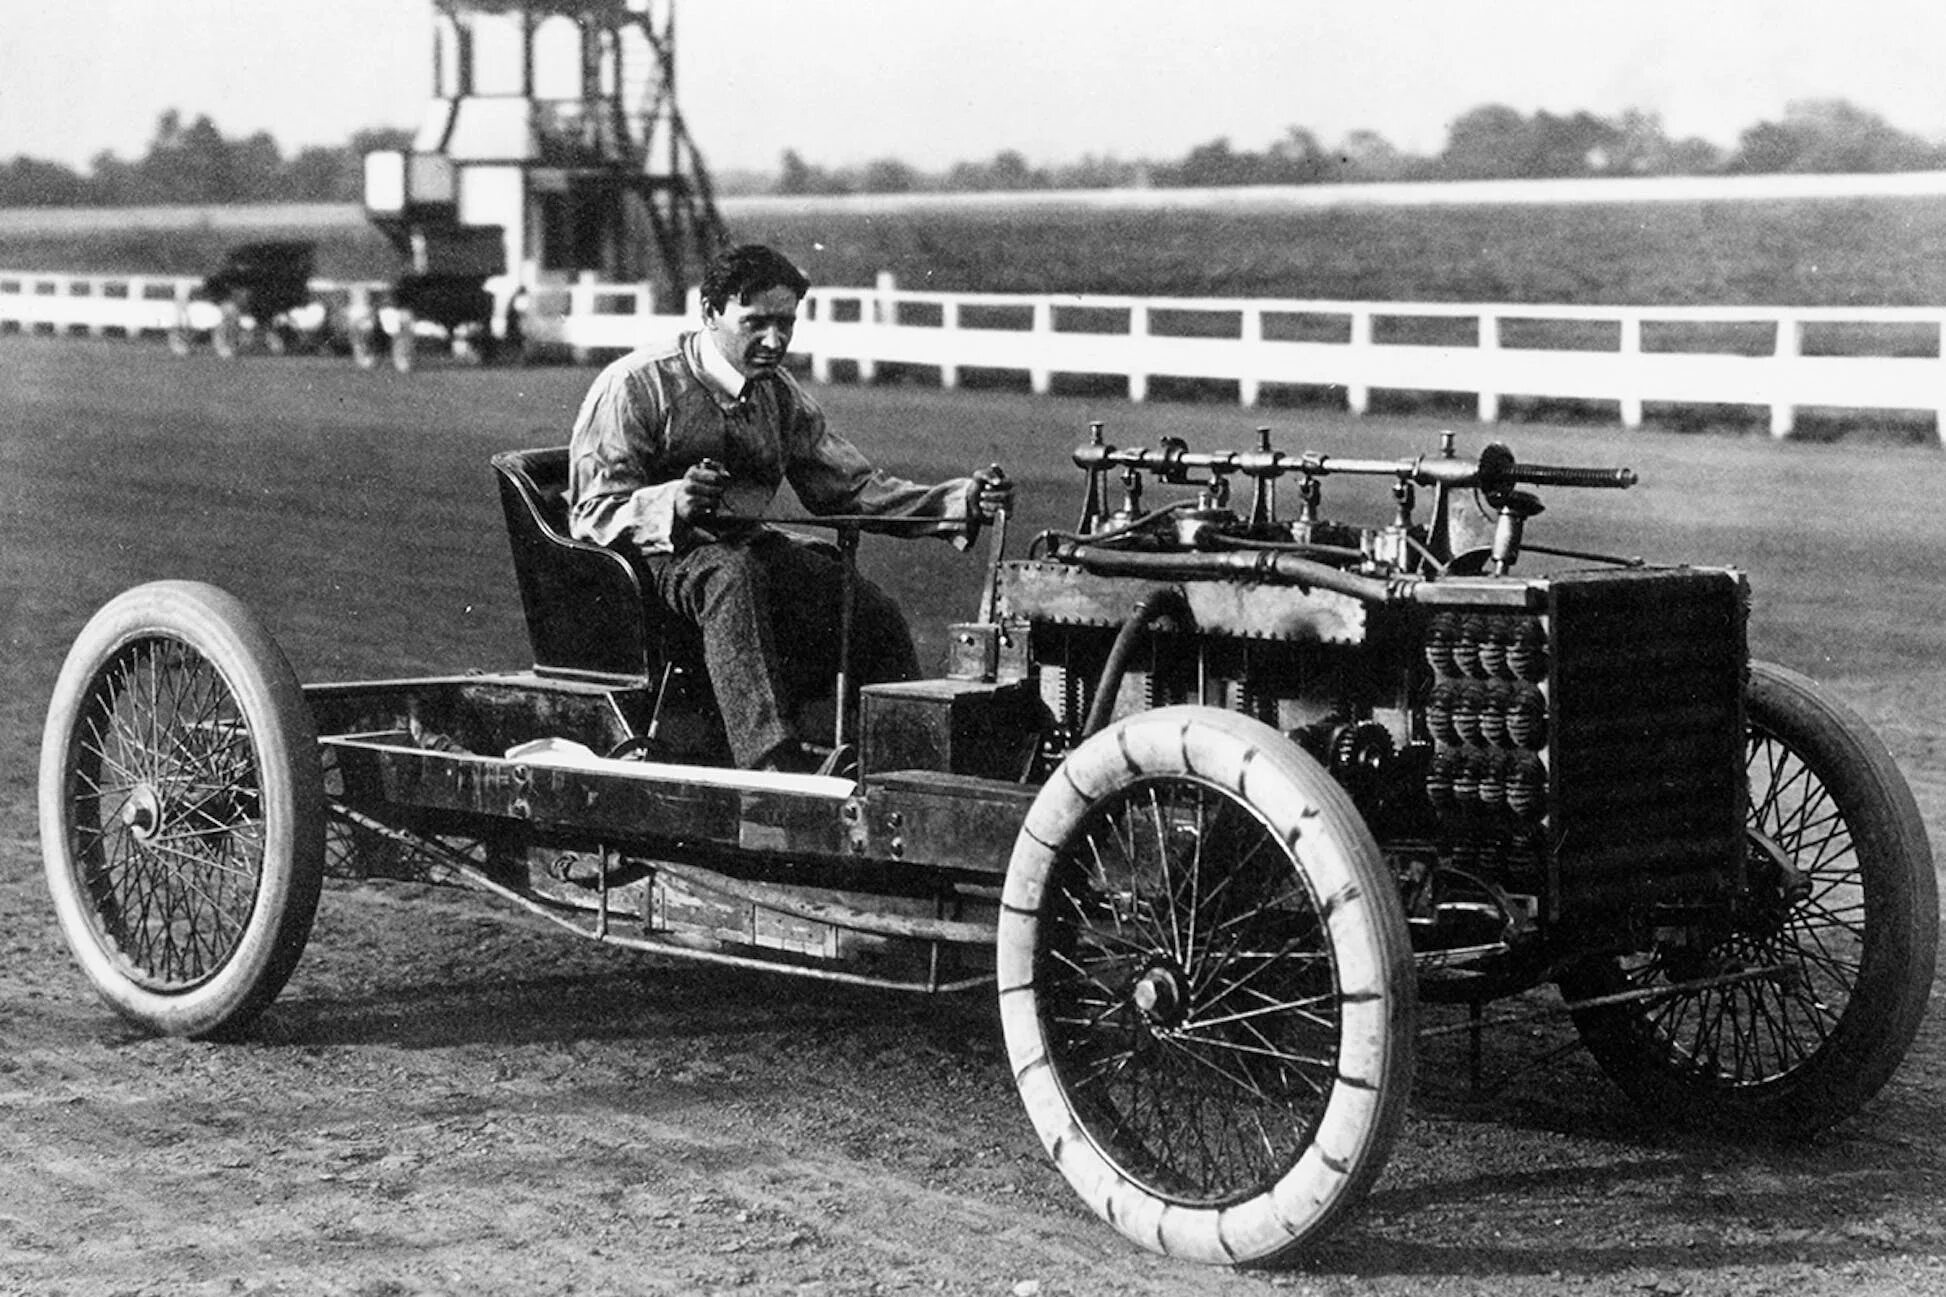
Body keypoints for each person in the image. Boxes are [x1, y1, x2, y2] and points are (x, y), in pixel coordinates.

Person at [566, 243, 1013, 772]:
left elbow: (849, 488)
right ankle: (770, 765)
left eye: (786, 324)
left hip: (743, 553)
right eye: (755, 323)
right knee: (733, 576)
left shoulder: (777, 393)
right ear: (710, 312)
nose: (774, 341)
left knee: (869, 609)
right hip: (657, 563)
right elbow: (591, 513)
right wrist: (672, 501)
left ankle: (905, 759)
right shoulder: (636, 384)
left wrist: (960, 500)